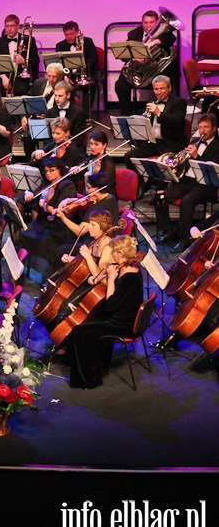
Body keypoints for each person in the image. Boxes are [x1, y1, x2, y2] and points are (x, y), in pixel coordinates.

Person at [65, 235, 143, 389]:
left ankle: (88, 379)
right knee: (86, 321)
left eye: (114, 251)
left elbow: (111, 304)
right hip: (120, 317)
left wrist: (112, 280)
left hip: (122, 324)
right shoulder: (129, 267)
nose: (112, 254)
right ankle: (99, 364)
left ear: (120, 254)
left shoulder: (128, 277)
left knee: (80, 331)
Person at [154, 113, 219, 252]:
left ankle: (185, 239)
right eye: (200, 127)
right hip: (187, 181)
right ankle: (169, 231)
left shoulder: (217, 146)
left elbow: (213, 169)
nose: (202, 131)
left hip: (205, 185)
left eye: (206, 127)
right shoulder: (195, 142)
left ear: (214, 128)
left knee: (187, 202)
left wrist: (196, 156)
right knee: (159, 196)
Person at [17, 158, 78, 271]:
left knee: (44, 241)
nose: (48, 174)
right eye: (46, 171)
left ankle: (42, 270)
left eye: (52, 170)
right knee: (25, 234)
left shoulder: (67, 186)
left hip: (59, 224)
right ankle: (25, 265)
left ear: (60, 170)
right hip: (44, 221)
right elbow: (34, 196)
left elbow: (60, 209)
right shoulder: (47, 184)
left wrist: (45, 205)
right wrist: (28, 193)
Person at [115, 10, 179, 116]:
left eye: (152, 22)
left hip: (157, 71)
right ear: (142, 22)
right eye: (146, 22)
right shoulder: (134, 34)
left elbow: (171, 38)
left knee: (158, 84)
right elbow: (125, 55)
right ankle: (125, 115)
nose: (148, 25)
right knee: (120, 85)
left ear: (157, 22)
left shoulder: (165, 33)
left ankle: (154, 115)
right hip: (138, 71)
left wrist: (153, 42)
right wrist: (133, 57)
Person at [55, 21, 98, 112]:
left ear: (77, 32)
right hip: (69, 75)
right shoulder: (60, 46)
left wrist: (82, 67)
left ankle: (85, 114)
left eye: (71, 34)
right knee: (62, 86)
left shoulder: (88, 42)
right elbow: (60, 65)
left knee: (89, 86)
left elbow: (94, 59)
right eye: (66, 34)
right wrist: (66, 76)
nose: (69, 37)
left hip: (86, 73)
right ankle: (69, 112)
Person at [0, 14, 38, 97]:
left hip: (22, 77)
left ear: (17, 26)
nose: (9, 29)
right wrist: (3, 77)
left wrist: (24, 61)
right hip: (5, 76)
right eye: (7, 26)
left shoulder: (29, 40)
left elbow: (36, 60)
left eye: (12, 26)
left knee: (20, 90)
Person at [83, 132, 117, 196]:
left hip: (105, 196)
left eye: (96, 144)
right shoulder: (91, 158)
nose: (92, 147)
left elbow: (108, 183)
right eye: (91, 144)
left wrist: (96, 189)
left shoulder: (108, 162)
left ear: (104, 145)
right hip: (90, 194)